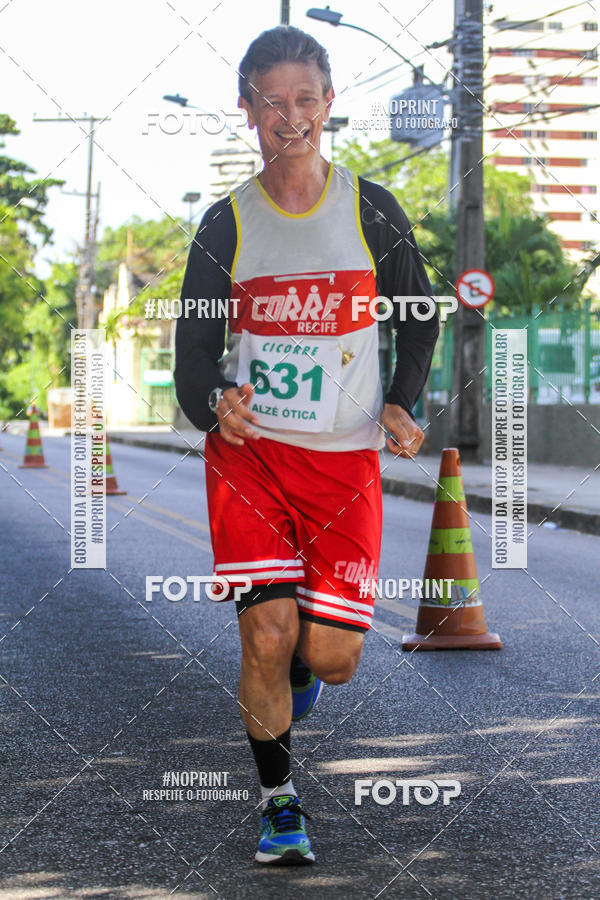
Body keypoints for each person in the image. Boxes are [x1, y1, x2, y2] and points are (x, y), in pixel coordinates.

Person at [175, 25, 439, 866]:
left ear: (329, 106)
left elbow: (419, 316)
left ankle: (296, 679)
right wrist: (216, 402)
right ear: (246, 107)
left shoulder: (369, 209)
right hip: (252, 463)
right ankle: (279, 804)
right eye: (272, 101)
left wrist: (400, 402)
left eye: (306, 100)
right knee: (267, 632)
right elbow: (190, 357)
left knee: (330, 654)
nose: (290, 117)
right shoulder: (226, 225)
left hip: (343, 464)